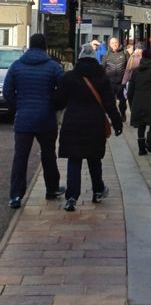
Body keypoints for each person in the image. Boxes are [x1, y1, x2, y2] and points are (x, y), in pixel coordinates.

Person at [53, 44, 123, 212]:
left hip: (73, 123)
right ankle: (98, 190)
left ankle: (71, 197)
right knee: (94, 158)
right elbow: (109, 103)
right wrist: (117, 122)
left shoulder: (69, 77)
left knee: (74, 159)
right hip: (95, 123)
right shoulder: (102, 77)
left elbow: (58, 102)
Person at [3, 33, 65, 209]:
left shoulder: (16, 66)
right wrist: (54, 106)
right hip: (46, 118)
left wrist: (18, 107)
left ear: (29, 45)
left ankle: (15, 196)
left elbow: (7, 91)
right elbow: (63, 89)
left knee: (20, 158)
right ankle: (52, 189)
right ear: (45, 47)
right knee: (48, 155)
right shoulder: (53, 67)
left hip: (24, 119)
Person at [127, 49, 151, 155]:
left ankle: (141, 149)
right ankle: (149, 142)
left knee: (141, 124)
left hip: (138, 101)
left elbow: (130, 90)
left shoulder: (136, 71)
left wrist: (131, 103)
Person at [102, 37, 129, 122]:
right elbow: (103, 67)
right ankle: (113, 118)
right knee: (110, 102)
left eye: (116, 42)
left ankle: (123, 113)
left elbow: (129, 67)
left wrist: (127, 79)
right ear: (109, 44)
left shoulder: (125, 53)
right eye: (112, 43)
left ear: (119, 43)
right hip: (110, 82)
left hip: (122, 82)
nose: (114, 44)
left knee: (122, 102)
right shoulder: (107, 54)